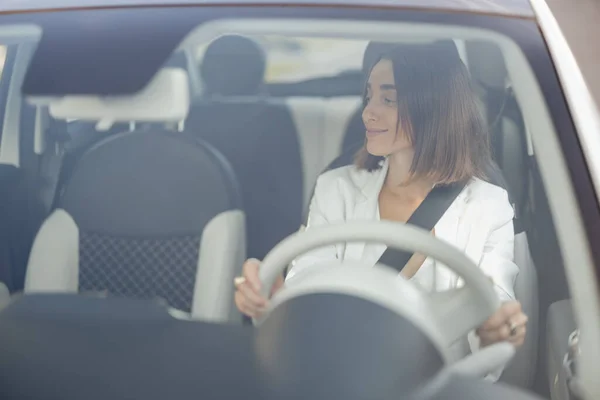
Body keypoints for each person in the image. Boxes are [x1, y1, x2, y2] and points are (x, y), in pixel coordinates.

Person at [234, 43, 527, 379]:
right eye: (369, 96)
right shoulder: (336, 188)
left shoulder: (488, 206)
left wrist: (499, 328)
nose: (367, 112)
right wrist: (273, 295)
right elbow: (306, 290)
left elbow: (496, 304)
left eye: (388, 99)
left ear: (434, 106)